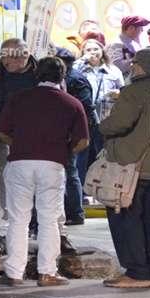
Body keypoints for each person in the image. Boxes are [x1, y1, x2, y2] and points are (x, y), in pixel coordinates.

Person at [0, 57, 89, 288]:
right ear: (62, 76)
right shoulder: (72, 103)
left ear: (37, 74)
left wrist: (21, 144)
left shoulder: (18, 99)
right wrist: (64, 151)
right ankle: (47, 273)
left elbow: (2, 132)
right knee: (49, 219)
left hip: (19, 163)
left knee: (18, 219)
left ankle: (14, 273)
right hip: (52, 165)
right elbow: (83, 141)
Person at [99, 48, 150, 289]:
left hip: (132, 167)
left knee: (127, 218)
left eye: (135, 63)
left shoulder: (134, 91)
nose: (131, 67)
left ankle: (137, 273)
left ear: (144, 66)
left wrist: (102, 125)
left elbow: (118, 124)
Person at [0, 37, 38, 257]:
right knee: (1, 188)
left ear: (25, 54)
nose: (6, 60)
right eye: (3, 55)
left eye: (11, 55)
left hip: (36, 142)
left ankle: (40, 232)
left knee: (38, 187)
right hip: (1, 141)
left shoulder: (41, 75)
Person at [54, 47, 96, 230]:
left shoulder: (75, 79)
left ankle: (76, 212)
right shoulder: (67, 78)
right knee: (70, 172)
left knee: (71, 172)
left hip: (73, 132)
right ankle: (73, 211)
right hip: (70, 130)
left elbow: (85, 107)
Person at [75, 35, 124, 185]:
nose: (93, 52)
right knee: (81, 155)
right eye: (88, 49)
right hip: (84, 118)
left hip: (106, 118)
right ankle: (81, 188)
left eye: (96, 49)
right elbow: (69, 75)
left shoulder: (113, 70)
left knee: (105, 153)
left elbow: (124, 91)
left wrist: (118, 94)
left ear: (102, 50)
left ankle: (106, 186)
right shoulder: (78, 69)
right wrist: (82, 60)